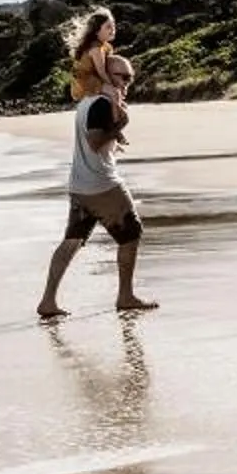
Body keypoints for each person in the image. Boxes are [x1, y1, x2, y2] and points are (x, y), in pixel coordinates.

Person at [35, 80, 157, 320]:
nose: (126, 83)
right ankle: (125, 296)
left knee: (72, 240)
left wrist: (115, 131)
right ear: (106, 77)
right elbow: (94, 141)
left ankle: (47, 301)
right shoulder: (101, 104)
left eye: (130, 78)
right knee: (131, 233)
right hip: (102, 185)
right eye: (122, 77)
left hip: (80, 184)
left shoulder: (86, 103)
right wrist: (120, 124)